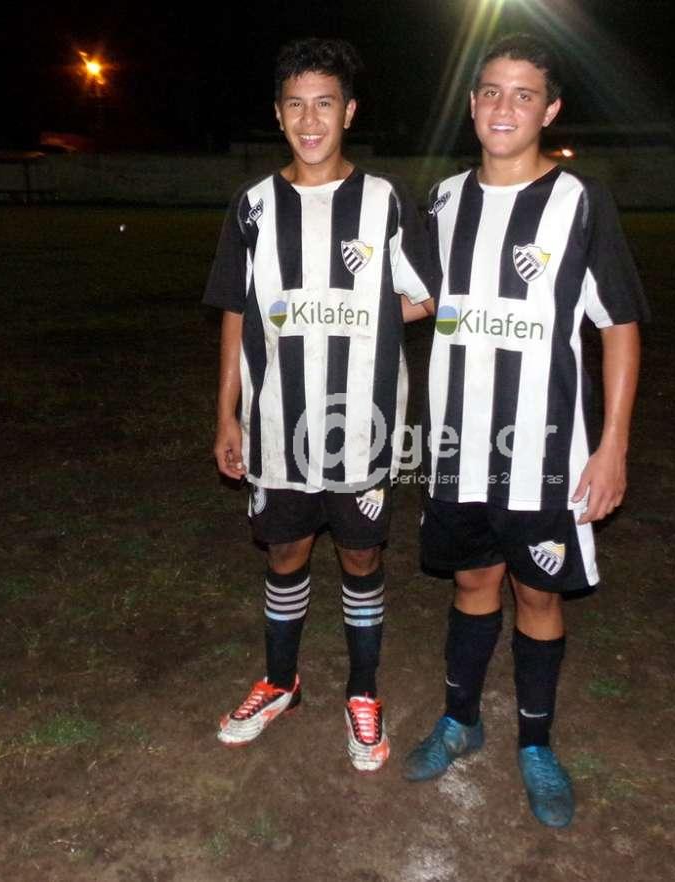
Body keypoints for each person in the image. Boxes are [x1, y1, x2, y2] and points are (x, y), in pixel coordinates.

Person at [403, 34, 650, 825]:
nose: (503, 107)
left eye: (523, 94)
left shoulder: (580, 201)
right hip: (456, 446)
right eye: (490, 91)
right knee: (472, 583)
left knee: (538, 591)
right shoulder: (443, 200)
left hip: (546, 449)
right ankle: (460, 721)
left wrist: (612, 446)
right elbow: (419, 299)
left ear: (549, 109)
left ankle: (536, 745)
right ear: (472, 103)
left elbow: (618, 325)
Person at [203, 37, 432, 772]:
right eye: (296, 105)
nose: (310, 120)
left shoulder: (386, 201)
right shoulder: (252, 207)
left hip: (364, 425)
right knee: (285, 551)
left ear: (349, 112)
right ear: (278, 114)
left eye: (324, 104)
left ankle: (363, 692)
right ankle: (281, 682)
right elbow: (235, 313)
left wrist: (366, 315)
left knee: (362, 554)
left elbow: (424, 295)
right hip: (275, 424)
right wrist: (226, 414)